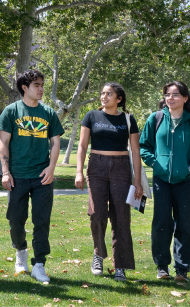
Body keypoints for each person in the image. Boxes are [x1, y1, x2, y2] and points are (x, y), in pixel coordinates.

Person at [0, 69, 64, 283]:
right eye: (37, 85)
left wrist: (52, 168)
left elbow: (55, 143)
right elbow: (3, 143)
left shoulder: (49, 113)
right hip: (18, 175)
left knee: (41, 221)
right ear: (25, 87)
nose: (41, 88)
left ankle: (39, 264)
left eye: (42, 84)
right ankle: (21, 253)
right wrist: (5, 172)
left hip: (42, 176)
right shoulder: (11, 111)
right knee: (16, 219)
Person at [139, 81, 190, 282]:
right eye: (167, 94)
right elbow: (144, 146)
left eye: (176, 94)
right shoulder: (156, 119)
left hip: (186, 181)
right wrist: (155, 163)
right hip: (161, 180)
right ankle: (162, 267)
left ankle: (182, 269)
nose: (171, 98)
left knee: (184, 224)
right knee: (161, 222)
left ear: (185, 98)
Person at [75, 82, 143, 282]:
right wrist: (79, 172)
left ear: (119, 99)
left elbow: (136, 151)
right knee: (97, 214)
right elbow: (82, 145)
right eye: (102, 93)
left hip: (121, 168)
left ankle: (120, 264)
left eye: (109, 94)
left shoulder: (128, 120)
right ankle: (98, 254)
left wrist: (137, 181)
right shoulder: (91, 116)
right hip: (96, 166)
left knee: (121, 216)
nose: (103, 97)